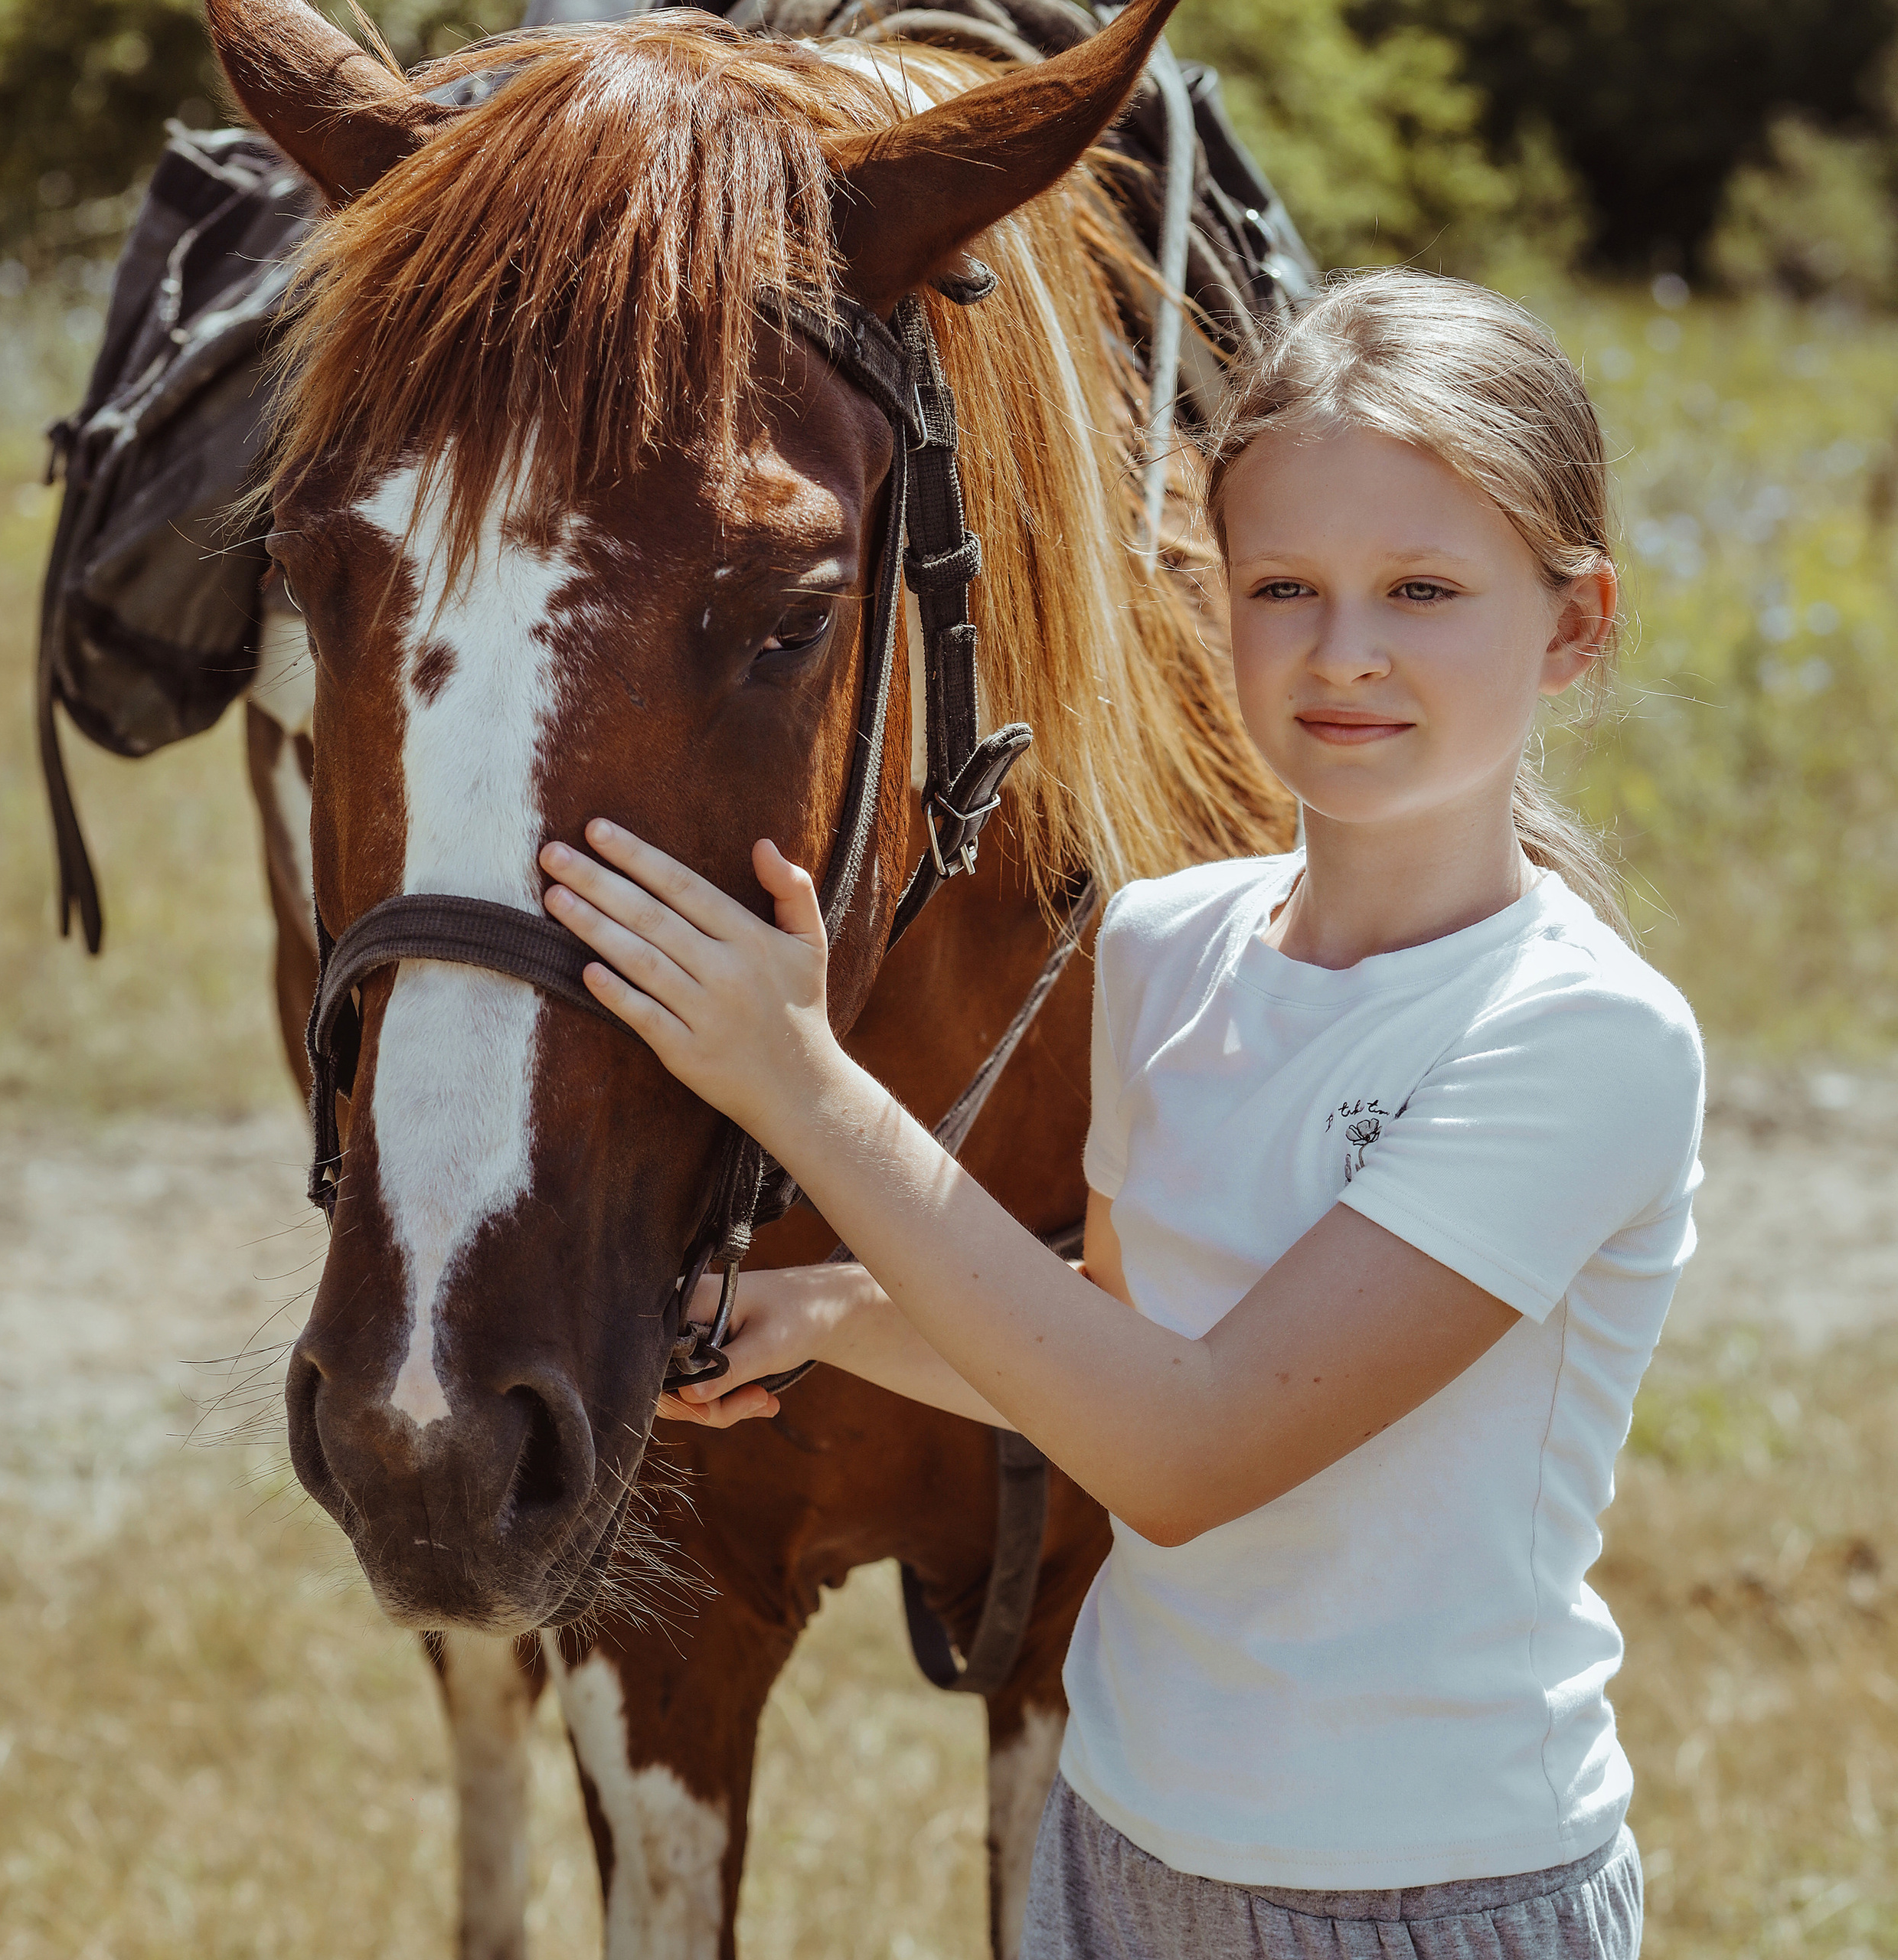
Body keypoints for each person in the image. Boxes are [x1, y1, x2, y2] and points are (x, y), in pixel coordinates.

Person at [534, 266, 1702, 1959]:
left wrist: (795, 1080)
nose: (1343, 650)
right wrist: (818, 1312)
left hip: (1427, 1893)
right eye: (1282, 584)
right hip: (1115, 1846)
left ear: (1573, 621)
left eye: (1423, 588)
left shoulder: (1577, 1035)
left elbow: (1183, 1448)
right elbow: (1110, 1341)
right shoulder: (1162, 942)